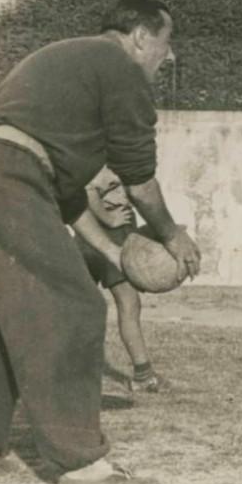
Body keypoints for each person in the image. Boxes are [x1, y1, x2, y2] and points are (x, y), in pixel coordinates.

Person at [0, 0, 200, 484]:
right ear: (140, 37)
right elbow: (139, 179)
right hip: (7, 172)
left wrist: (117, 253)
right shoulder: (118, 66)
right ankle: (81, 465)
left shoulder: (72, 57)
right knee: (72, 304)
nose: (171, 55)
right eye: (167, 42)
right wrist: (171, 234)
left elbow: (67, 197)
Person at [76, 168, 163, 396]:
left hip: (102, 233)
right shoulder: (107, 158)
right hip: (108, 234)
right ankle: (143, 375)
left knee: (79, 306)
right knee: (129, 303)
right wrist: (108, 218)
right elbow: (89, 190)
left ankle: (60, 368)